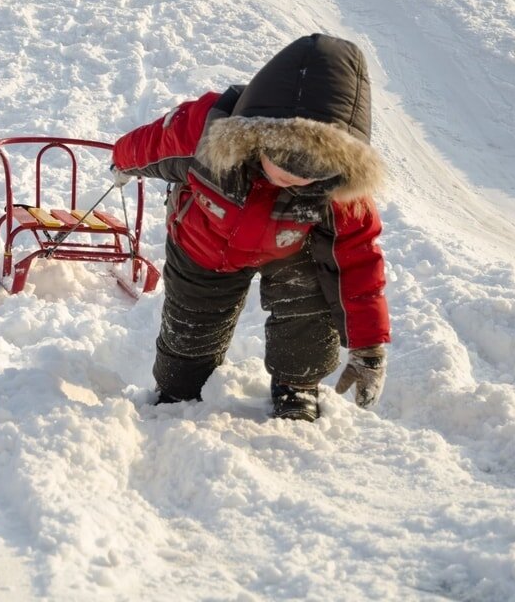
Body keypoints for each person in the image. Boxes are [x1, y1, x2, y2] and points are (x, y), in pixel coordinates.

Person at [110, 33, 390, 421]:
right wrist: (121, 161)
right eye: (285, 163)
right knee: (192, 324)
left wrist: (369, 346)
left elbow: (359, 263)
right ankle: (179, 388)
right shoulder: (204, 134)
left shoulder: (340, 194)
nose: (293, 179)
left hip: (290, 252)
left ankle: (297, 386)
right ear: (258, 137)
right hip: (203, 245)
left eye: (313, 171)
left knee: (307, 304)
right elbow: (154, 144)